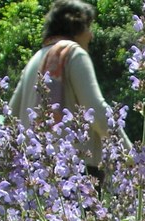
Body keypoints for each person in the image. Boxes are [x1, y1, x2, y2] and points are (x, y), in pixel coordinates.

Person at [8, 0, 131, 181]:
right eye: (88, 27)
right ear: (76, 25)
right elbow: (96, 110)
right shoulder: (74, 53)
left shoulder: (36, 58)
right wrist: (128, 154)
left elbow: (11, 115)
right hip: (75, 172)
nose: (91, 35)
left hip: (35, 173)